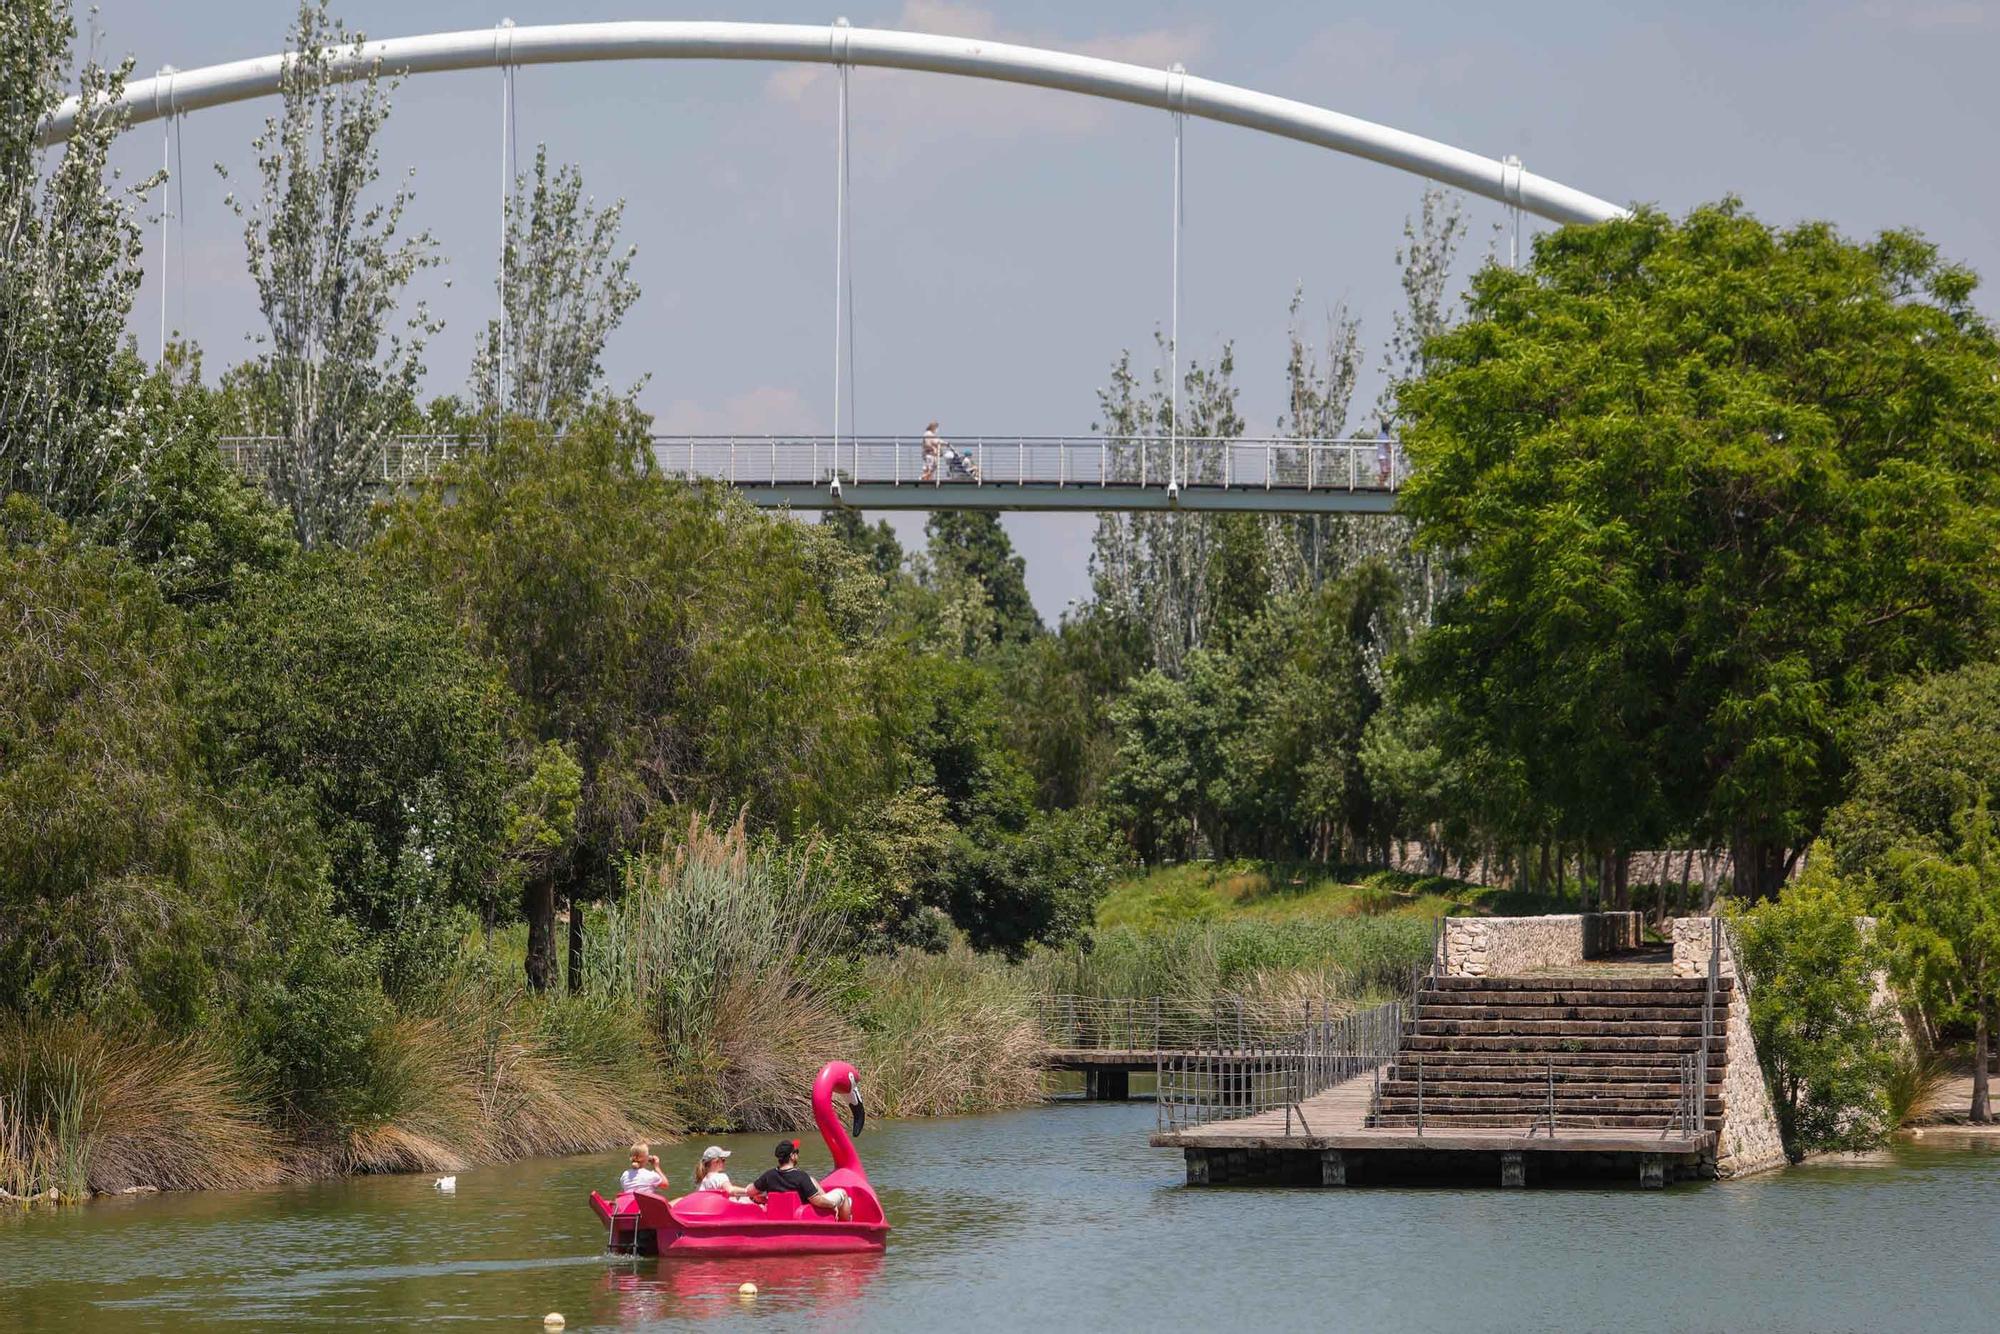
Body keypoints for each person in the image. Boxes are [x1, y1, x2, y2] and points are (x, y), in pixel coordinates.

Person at [750, 1139, 853, 1221]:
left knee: (812, 1180)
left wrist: (764, 1199)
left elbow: (751, 1191)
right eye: (796, 1152)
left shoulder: (769, 1175)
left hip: (782, 1212)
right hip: (804, 1212)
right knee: (843, 1194)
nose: (798, 1155)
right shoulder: (801, 1176)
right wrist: (833, 1205)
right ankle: (845, 1226)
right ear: (792, 1156)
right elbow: (817, 1201)